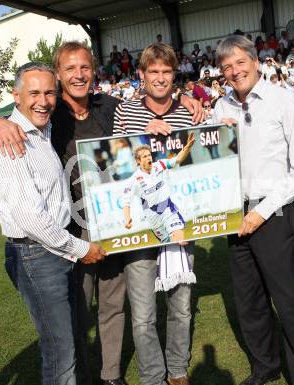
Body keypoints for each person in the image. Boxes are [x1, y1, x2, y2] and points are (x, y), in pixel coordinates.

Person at [0, 41, 203, 385]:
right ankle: (81, 375)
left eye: (84, 67)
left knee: (113, 305)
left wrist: (185, 98)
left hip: (111, 224)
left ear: (94, 71)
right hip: (68, 231)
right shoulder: (48, 114)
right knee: (75, 315)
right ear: (58, 73)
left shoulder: (108, 106)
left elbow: (148, 109)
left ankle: (110, 375)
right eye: (69, 69)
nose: (78, 75)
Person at [0, 62, 107, 385]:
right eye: (34, 93)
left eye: (50, 92)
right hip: (37, 253)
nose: (43, 100)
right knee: (59, 352)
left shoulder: (43, 130)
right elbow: (32, 220)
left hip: (51, 250)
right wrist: (82, 249)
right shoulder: (10, 140)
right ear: (16, 96)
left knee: (64, 342)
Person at [212, 35, 294, 385]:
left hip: (272, 214)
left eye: (240, 62)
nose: (234, 71)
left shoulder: (283, 100)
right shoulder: (221, 107)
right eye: (227, 66)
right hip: (235, 215)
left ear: (256, 61)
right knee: (249, 302)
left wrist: (262, 211)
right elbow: (209, 160)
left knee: (289, 300)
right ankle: (265, 367)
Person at [113, 42, 197, 385]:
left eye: (166, 72)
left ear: (173, 75)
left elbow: (193, 155)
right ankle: (151, 376)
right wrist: (142, 135)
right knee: (144, 313)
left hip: (177, 217)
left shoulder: (189, 111)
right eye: (154, 72)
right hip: (144, 226)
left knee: (181, 305)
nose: (160, 78)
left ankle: (177, 370)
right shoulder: (125, 111)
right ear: (142, 75)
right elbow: (115, 161)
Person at [123, 134, 195, 243]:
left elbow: (178, 159)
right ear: (138, 161)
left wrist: (188, 147)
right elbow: (126, 203)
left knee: (180, 241)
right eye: (145, 157)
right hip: (153, 217)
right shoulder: (133, 180)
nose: (149, 158)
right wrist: (127, 219)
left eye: (149, 155)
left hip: (168, 209)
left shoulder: (160, 164)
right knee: (168, 245)